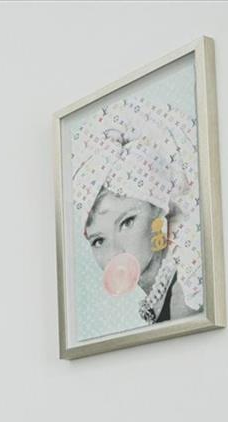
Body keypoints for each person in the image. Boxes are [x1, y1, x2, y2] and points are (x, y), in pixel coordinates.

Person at [70, 96, 203, 325]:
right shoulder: (161, 296)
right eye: (98, 240)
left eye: (127, 222)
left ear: (159, 212)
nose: (114, 252)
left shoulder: (186, 295)